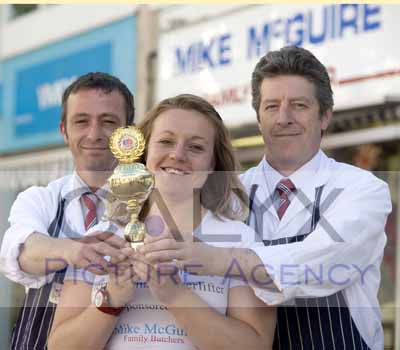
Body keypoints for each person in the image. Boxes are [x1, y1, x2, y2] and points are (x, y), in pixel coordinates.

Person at [138, 47, 392, 350]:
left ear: (325, 116)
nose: (284, 118)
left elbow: (323, 262)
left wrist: (218, 259)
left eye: (299, 105)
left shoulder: (361, 190)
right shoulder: (228, 196)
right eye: (272, 106)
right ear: (258, 118)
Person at [48, 94, 276, 349]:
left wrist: (176, 295)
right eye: (166, 141)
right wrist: (111, 299)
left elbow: (257, 345)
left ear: (213, 163)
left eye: (196, 147)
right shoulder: (101, 238)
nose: (178, 155)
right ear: (144, 152)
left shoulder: (241, 240)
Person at [0, 72, 135, 349]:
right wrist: (72, 249)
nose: (94, 134)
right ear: (64, 130)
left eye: (108, 122)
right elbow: (22, 252)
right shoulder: (40, 199)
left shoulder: (151, 204)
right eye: (81, 121)